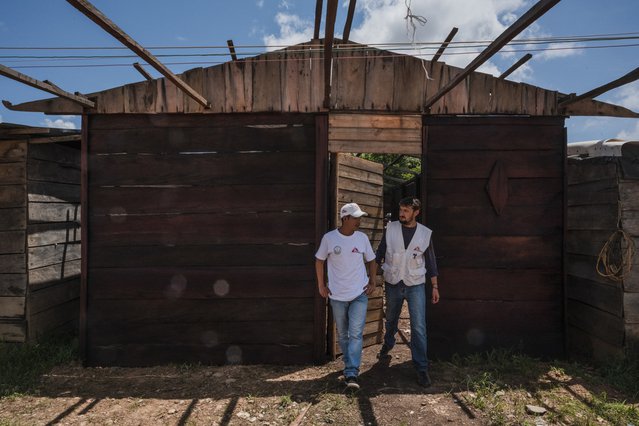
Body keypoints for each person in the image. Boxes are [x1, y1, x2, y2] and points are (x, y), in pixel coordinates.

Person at [376, 197, 440, 388]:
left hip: (415, 284)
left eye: (406, 210)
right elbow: (380, 252)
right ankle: (388, 343)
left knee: (419, 326)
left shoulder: (424, 234)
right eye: (401, 210)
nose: (402, 213)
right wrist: (371, 275)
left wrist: (435, 286)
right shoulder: (391, 228)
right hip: (393, 282)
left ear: (416, 212)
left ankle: (421, 368)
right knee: (392, 319)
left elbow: (431, 261)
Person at [315, 202, 377, 391]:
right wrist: (321, 285)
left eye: (360, 217)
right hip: (337, 295)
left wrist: (373, 282)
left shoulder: (362, 238)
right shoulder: (329, 238)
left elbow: (372, 260)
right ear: (345, 218)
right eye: (356, 217)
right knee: (343, 334)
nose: (359, 220)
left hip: (359, 294)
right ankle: (349, 365)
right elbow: (319, 261)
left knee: (356, 333)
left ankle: (351, 372)